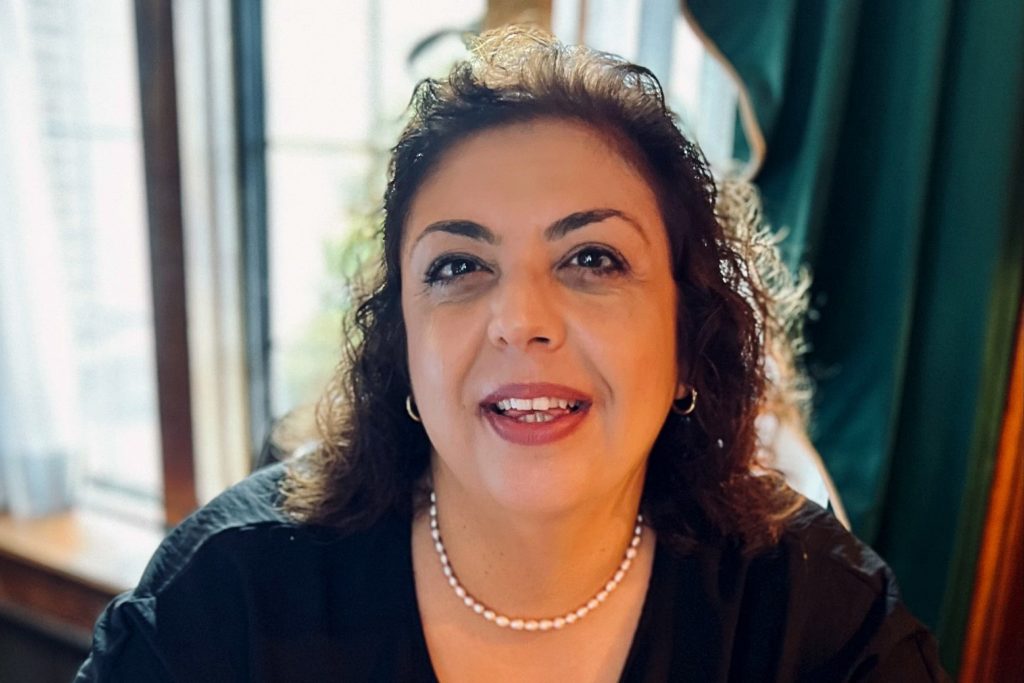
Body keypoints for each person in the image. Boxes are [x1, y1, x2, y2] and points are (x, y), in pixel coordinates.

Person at [76, 26, 948, 682]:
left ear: (691, 339)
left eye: (593, 259)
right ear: (402, 345)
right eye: (459, 265)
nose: (520, 319)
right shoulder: (227, 597)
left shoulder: (817, 620)